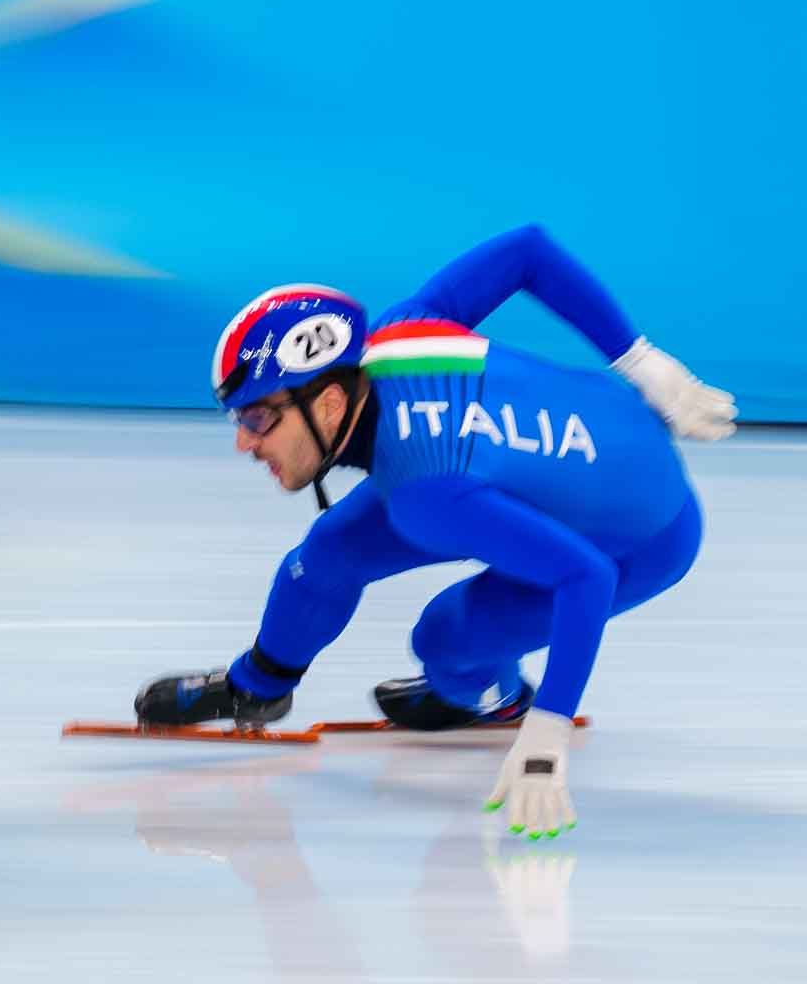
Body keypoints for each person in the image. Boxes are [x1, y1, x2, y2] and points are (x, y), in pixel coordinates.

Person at [134, 225, 735, 839]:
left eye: (259, 418)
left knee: (446, 636)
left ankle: (495, 697)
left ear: (331, 407)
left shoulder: (427, 494)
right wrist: (638, 357)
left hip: (641, 540)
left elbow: (588, 575)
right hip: (579, 450)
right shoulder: (404, 329)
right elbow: (526, 251)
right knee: (329, 553)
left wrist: (546, 731)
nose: (243, 442)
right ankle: (256, 689)